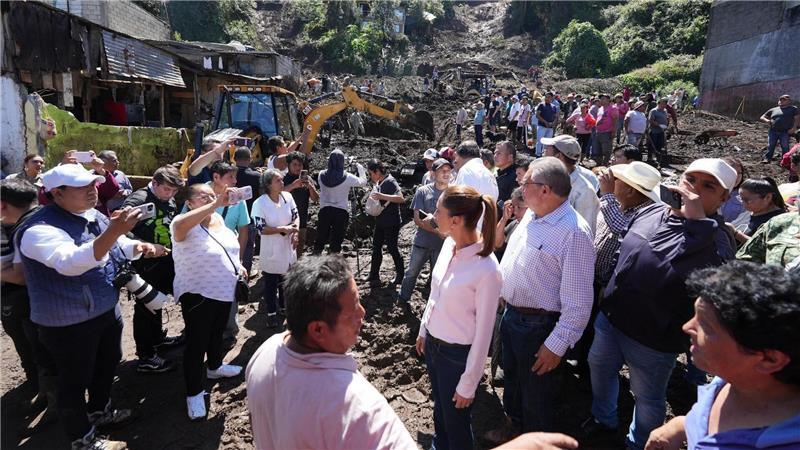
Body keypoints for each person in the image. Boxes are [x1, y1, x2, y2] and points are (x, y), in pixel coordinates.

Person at [583, 158, 738, 450]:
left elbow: (715, 284)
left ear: (724, 198)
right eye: (691, 180)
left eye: (708, 186)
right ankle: (603, 419)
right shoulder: (654, 211)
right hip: (613, 318)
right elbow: (624, 237)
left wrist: (696, 226)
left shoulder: (717, 238)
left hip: (654, 339)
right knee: (599, 369)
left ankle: (641, 442)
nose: (694, 190)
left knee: (648, 397)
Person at [17, 164, 163, 449]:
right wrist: (116, 231)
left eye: (93, 185)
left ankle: (100, 411)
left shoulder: (92, 214)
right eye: (82, 187)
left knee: (108, 363)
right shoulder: (38, 229)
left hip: (104, 308)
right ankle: (82, 439)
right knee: (73, 381)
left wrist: (136, 246)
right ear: (56, 193)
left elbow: (115, 244)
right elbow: (72, 262)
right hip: (68, 323)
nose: (92, 191)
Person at [245, 255, 417, 449]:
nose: (362, 313)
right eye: (353, 309)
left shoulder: (263, 354)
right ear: (318, 329)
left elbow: (256, 423)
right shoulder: (360, 411)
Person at [487, 157, 595, 443]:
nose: (520, 187)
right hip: (512, 317)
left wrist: (556, 345)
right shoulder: (533, 216)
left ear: (545, 189)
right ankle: (514, 427)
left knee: (536, 394)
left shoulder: (574, 232)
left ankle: (536, 442)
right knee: (512, 381)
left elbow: (579, 302)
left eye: (525, 183)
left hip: (539, 327)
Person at [645, 261, 800, 450]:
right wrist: (680, 426)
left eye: (706, 326)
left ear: (770, 360)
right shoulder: (731, 376)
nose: (687, 327)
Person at [416, 185, 503, 450]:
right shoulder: (449, 246)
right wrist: (424, 329)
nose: (433, 215)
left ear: (455, 220)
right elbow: (436, 292)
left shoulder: (487, 270)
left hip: (457, 358)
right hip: (434, 347)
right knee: (441, 413)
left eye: (438, 211)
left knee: (456, 424)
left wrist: (469, 383)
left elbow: (484, 334)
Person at [171, 183, 245, 421]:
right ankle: (193, 393)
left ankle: (214, 367)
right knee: (196, 342)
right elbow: (181, 229)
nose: (211, 199)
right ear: (190, 202)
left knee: (217, 333)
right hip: (198, 294)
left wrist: (239, 265)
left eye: (212, 196)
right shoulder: (181, 223)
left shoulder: (218, 221)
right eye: (204, 197)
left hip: (224, 289)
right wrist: (215, 204)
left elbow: (226, 248)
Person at [1, 178, 57, 419]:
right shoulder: (48, 216)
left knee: (43, 349)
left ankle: (55, 402)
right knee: (36, 348)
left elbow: (21, 276)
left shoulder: (26, 228)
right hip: (39, 301)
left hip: (32, 301)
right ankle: (44, 391)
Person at [121, 165, 185, 374]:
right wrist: (146, 246)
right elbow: (120, 232)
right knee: (146, 307)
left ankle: (157, 339)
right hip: (146, 263)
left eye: (175, 192)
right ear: (155, 183)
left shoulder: (168, 198)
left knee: (159, 302)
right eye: (167, 189)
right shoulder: (138, 200)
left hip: (167, 259)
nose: (171, 195)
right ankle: (146, 356)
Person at [205, 160, 250, 347]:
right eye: (230, 177)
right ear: (216, 177)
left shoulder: (238, 199)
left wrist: (238, 260)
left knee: (230, 294)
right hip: (204, 255)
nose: (235, 180)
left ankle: (229, 331)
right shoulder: (201, 193)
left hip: (228, 257)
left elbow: (243, 230)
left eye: (235, 176)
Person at [398, 159, 451, 306]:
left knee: (438, 277)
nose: (446, 173)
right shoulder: (423, 191)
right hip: (422, 242)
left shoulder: (453, 193)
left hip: (442, 246)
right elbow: (417, 219)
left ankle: (435, 305)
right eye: (442, 170)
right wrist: (438, 231)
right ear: (433, 173)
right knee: (411, 273)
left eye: (448, 170)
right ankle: (403, 299)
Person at [251, 169, 299, 328]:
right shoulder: (260, 203)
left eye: (281, 179)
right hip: (271, 249)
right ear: (268, 185)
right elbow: (261, 229)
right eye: (278, 180)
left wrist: (295, 233)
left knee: (286, 280)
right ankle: (271, 313)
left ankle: (284, 307)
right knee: (271, 283)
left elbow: (296, 216)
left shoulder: (288, 197)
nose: (282, 182)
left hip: (288, 246)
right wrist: (281, 229)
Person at [541, 135, 600, 235]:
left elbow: (585, 230)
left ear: (558, 156)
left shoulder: (584, 191)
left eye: (548, 149)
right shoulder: (546, 178)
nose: (544, 153)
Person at [314, 150, 368, 254]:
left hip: (324, 211)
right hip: (340, 212)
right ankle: (334, 263)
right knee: (336, 240)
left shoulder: (321, 175)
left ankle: (315, 260)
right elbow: (363, 182)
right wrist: (360, 168)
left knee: (320, 237)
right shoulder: (347, 177)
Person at [366, 159, 405, 285]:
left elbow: (401, 198)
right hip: (381, 221)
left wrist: (382, 196)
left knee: (392, 248)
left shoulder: (390, 181)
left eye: (371, 173)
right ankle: (374, 274)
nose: (370, 176)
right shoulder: (380, 182)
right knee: (376, 247)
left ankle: (400, 275)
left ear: (377, 171)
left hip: (392, 221)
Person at [729, 177, 786, 244]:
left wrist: (736, 234)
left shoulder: (778, 220)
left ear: (768, 197)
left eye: (747, 200)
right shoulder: (751, 212)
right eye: (741, 199)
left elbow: (765, 247)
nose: (743, 203)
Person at [283, 151, 318, 257]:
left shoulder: (307, 179)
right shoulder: (282, 179)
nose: (297, 167)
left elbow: (315, 199)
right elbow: (277, 195)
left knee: (298, 250)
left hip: (301, 220)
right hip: (284, 221)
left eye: (300, 165)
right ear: (288, 165)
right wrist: (293, 186)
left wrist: (310, 187)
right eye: (294, 164)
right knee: (284, 250)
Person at [233, 146, 262, 275]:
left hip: (230, 217)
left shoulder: (228, 174)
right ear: (250, 159)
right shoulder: (256, 176)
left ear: (234, 158)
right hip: (249, 217)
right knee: (249, 246)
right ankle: (246, 272)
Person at [760, 94, 799, 164]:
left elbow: (797, 119)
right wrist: (767, 121)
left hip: (785, 131)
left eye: (784, 100)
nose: (781, 101)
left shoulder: (793, 109)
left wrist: (794, 128)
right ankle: (767, 158)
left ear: (789, 101)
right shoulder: (773, 109)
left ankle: (785, 161)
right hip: (773, 131)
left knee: (785, 146)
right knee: (770, 145)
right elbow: (762, 117)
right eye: (780, 100)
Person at [493, 187, 527, 261]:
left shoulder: (532, 229)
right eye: (513, 207)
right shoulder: (515, 223)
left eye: (519, 207)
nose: (515, 212)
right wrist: (504, 219)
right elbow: (497, 243)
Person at [718, 157, 746, 223]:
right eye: (733, 172)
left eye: (739, 173)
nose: (737, 177)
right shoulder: (708, 192)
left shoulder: (745, 196)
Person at [594, 94, 618, 165]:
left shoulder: (613, 108)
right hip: (598, 132)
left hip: (607, 132)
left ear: (608, 100)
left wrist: (614, 131)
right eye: (601, 99)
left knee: (606, 150)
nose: (601, 100)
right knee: (598, 150)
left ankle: (605, 164)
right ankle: (598, 165)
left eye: (603, 99)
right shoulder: (600, 108)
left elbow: (615, 120)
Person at [494, 141, 518, 209]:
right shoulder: (497, 174)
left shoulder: (515, 177)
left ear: (510, 157)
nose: (495, 156)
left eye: (499, 153)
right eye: (495, 153)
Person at [535, 92, 559, 157]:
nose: (547, 98)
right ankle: (538, 155)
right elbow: (537, 115)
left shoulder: (554, 107)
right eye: (546, 97)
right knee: (539, 141)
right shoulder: (541, 105)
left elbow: (556, 116)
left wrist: (553, 123)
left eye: (548, 97)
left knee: (548, 142)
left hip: (550, 127)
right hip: (541, 126)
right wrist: (545, 122)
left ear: (552, 98)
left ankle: (545, 155)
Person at [647, 98, 670, 165]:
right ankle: (649, 158)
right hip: (654, 130)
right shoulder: (654, 111)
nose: (664, 105)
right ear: (659, 103)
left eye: (665, 104)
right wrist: (659, 125)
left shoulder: (665, 111)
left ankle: (657, 159)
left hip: (661, 131)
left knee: (659, 145)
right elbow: (651, 121)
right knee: (652, 144)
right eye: (662, 103)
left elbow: (666, 118)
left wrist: (666, 124)